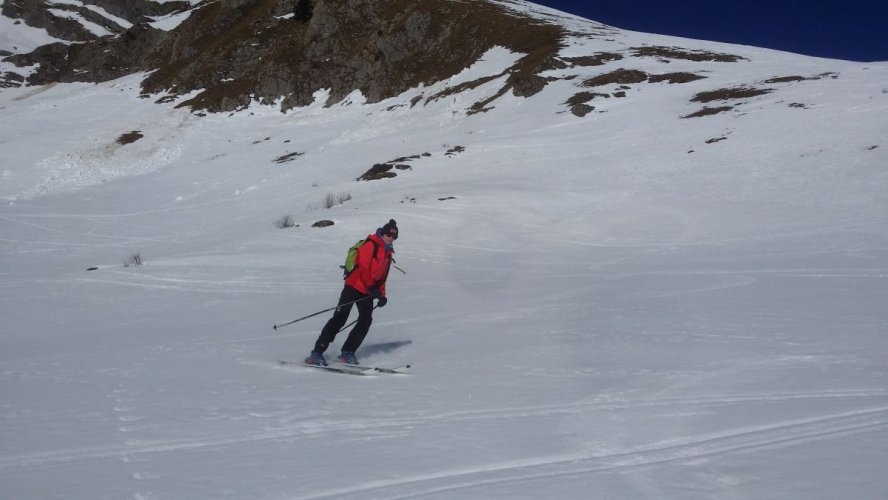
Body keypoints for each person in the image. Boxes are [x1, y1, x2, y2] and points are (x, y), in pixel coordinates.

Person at [305, 219, 398, 366]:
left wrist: (382, 295)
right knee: (340, 318)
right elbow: (362, 268)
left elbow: (382, 277)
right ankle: (316, 353)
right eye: (388, 234)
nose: (391, 238)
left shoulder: (387, 253)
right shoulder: (370, 244)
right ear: (383, 232)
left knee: (365, 321)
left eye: (394, 236)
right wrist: (372, 288)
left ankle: (347, 352)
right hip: (354, 285)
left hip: (368, 290)